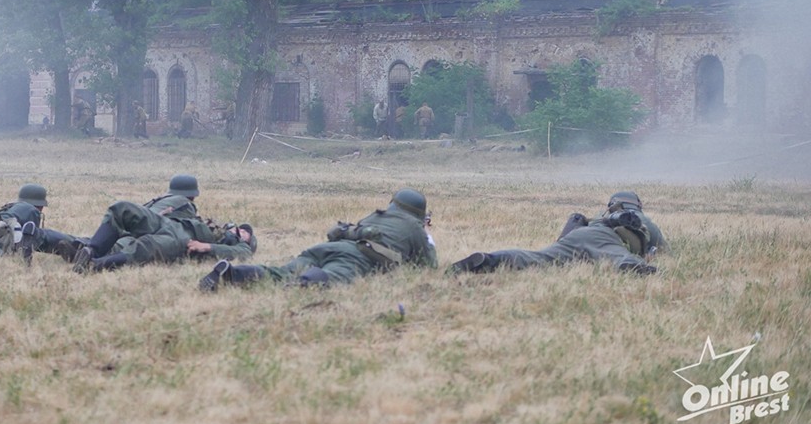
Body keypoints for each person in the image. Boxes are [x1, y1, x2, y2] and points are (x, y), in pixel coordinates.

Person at [198, 188, 437, 291]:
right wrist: (426, 234)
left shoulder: (375, 215)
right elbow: (428, 268)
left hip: (328, 247)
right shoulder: (415, 228)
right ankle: (302, 286)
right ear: (418, 214)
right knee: (332, 279)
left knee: (280, 271)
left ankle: (232, 273)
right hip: (356, 258)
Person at [448, 190, 663, 276]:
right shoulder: (641, 219)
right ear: (637, 204)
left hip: (576, 238)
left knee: (537, 258)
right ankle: (633, 267)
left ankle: (490, 259)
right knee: (619, 258)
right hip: (606, 239)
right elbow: (662, 248)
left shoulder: (602, 214)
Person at [72, 174, 256, 273]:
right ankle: (90, 251)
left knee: (145, 247)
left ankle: (95, 265)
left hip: (183, 238)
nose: (242, 229)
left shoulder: (234, 242)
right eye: (242, 227)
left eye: (246, 232)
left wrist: (207, 246)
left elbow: (244, 253)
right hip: (168, 222)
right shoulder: (216, 222)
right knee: (122, 209)